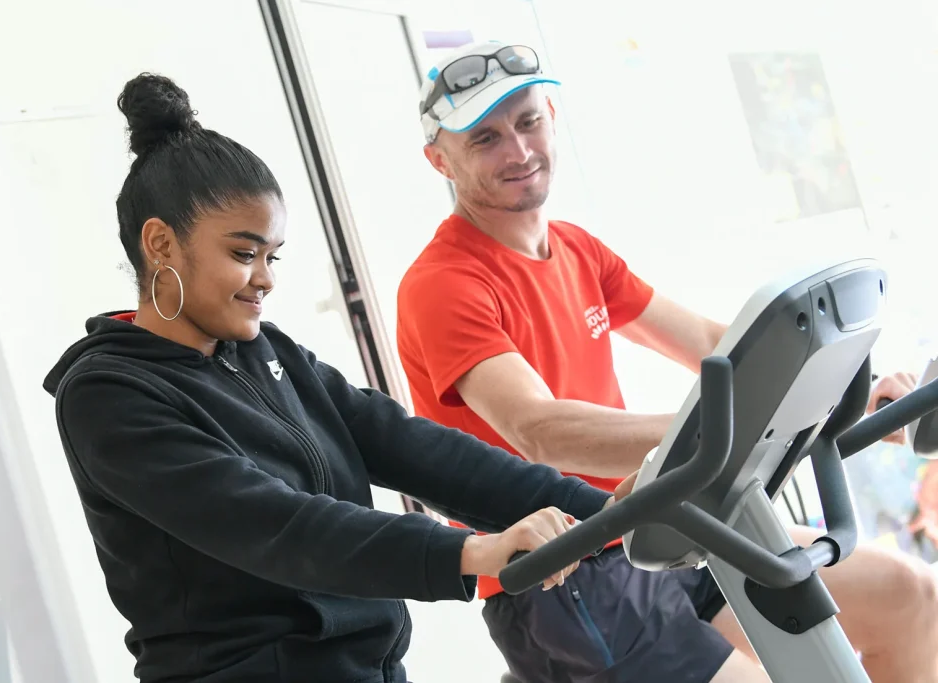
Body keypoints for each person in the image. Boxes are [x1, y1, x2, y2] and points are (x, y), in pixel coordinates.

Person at [42, 72, 623, 683]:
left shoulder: (266, 352)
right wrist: (472, 552)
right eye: (244, 254)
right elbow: (279, 526)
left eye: (273, 255)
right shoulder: (109, 396)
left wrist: (605, 511)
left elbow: (413, 446)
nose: (265, 278)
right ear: (160, 244)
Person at [397, 40, 938, 683]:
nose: (517, 151)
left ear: (552, 117)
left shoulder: (575, 249)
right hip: (566, 575)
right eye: (483, 139)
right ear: (440, 160)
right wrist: (737, 427)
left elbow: (716, 344)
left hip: (660, 529)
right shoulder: (445, 283)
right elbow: (540, 431)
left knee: (909, 596)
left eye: (528, 121)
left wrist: (857, 392)